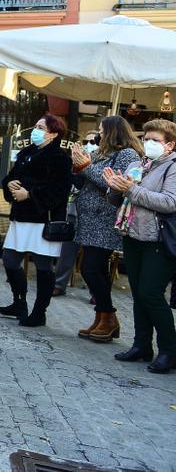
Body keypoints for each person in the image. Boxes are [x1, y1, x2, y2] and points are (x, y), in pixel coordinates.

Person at [106, 119, 176, 374]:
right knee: (138, 294)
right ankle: (141, 345)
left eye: (155, 140)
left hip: (159, 240)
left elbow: (170, 202)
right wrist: (115, 188)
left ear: (170, 145)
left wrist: (131, 190)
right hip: (132, 235)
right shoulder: (137, 164)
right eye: (146, 138)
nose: (149, 143)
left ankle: (169, 350)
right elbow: (120, 198)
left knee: (151, 294)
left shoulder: (172, 168)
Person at [0, 114, 72, 327]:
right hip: (21, 217)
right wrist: (9, 185)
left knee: (43, 267)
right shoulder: (27, 152)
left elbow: (60, 190)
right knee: (10, 260)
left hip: (43, 219)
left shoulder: (60, 158)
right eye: (36, 126)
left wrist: (30, 195)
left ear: (53, 133)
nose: (35, 130)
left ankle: (39, 312)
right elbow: (11, 176)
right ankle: (19, 302)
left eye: (40, 127)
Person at [69, 117, 141, 342]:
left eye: (101, 130)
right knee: (93, 270)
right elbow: (85, 181)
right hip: (90, 220)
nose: (98, 134)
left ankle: (109, 317)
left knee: (92, 269)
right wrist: (76, 167)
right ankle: (102, 318)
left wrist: (86, 167)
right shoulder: (100, 154)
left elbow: (113, 183)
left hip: (105, 221)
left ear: (112, 132)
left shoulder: (128, 154)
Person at [54, 128, 103, 297]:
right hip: (74, 211)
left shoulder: (101, 162)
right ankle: (59, 284)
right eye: (86, 142)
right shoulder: (73, 161)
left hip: (94, 215)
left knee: (93, 259)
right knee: (66, 250)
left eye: (93, 142)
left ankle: (96, 293)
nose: (89, 145)